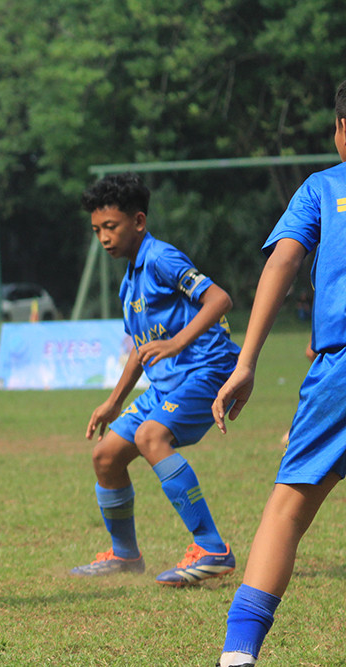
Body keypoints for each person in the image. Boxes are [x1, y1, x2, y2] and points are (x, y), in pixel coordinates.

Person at [212, 80, 346, 667]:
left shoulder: (322, 187)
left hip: (339, 370)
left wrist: (246, 363)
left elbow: (285, 260)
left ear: (342, 132)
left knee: (287, 510)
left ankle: (238, 657)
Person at [71, 172, 241, 586]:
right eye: (97, 230)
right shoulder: (129, 279)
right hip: (169, 381)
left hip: (207, 369)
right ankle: (125, 555)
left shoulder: (162, 258)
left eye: (110, 227)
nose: (104, 238)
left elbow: (219, 299)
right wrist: (114, 401)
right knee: (106, 456)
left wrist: (178, 342)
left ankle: (212, 548)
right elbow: (141, 347)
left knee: (151, 437)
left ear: (139, 221)